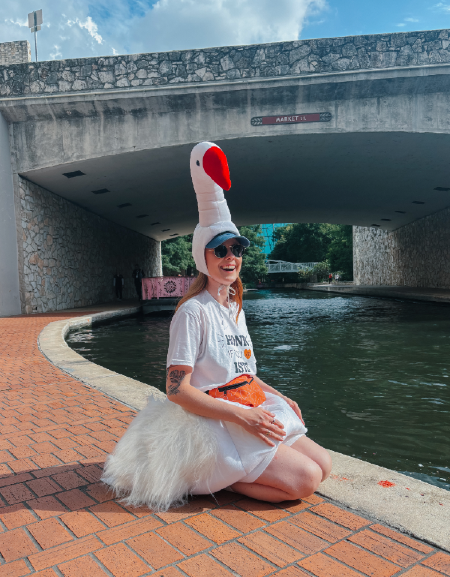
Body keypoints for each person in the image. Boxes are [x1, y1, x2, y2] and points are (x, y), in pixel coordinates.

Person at [102, 141, 331, 511]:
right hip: (218, 421)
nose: (230, 257)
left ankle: (238, 473)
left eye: (236, 250)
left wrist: (280, 396)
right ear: (204, 257)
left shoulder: (236, 307)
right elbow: (177, 391)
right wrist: (245, 416)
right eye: (220, 250)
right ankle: (225, 481)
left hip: (249, 403)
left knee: (324, 466)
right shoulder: (192, 313)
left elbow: (246, 373)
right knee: (304, 481)